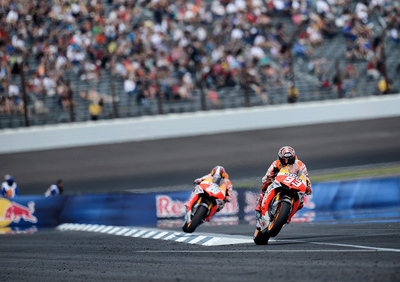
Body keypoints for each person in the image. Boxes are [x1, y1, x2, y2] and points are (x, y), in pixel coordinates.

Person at [255, 146, 312, 226]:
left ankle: (288, 214)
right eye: (284, 160)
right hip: (278, 182)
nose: (287, 162)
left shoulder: (301, 165)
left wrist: (308, 186)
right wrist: (268, 177)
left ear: (294, 158)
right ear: (280, 158)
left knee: (301, 203)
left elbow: (306, 177)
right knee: (265, 184)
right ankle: (261, 201)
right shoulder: (276, 163)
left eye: (289, 160)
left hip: (293, 184)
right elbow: (264, 178)